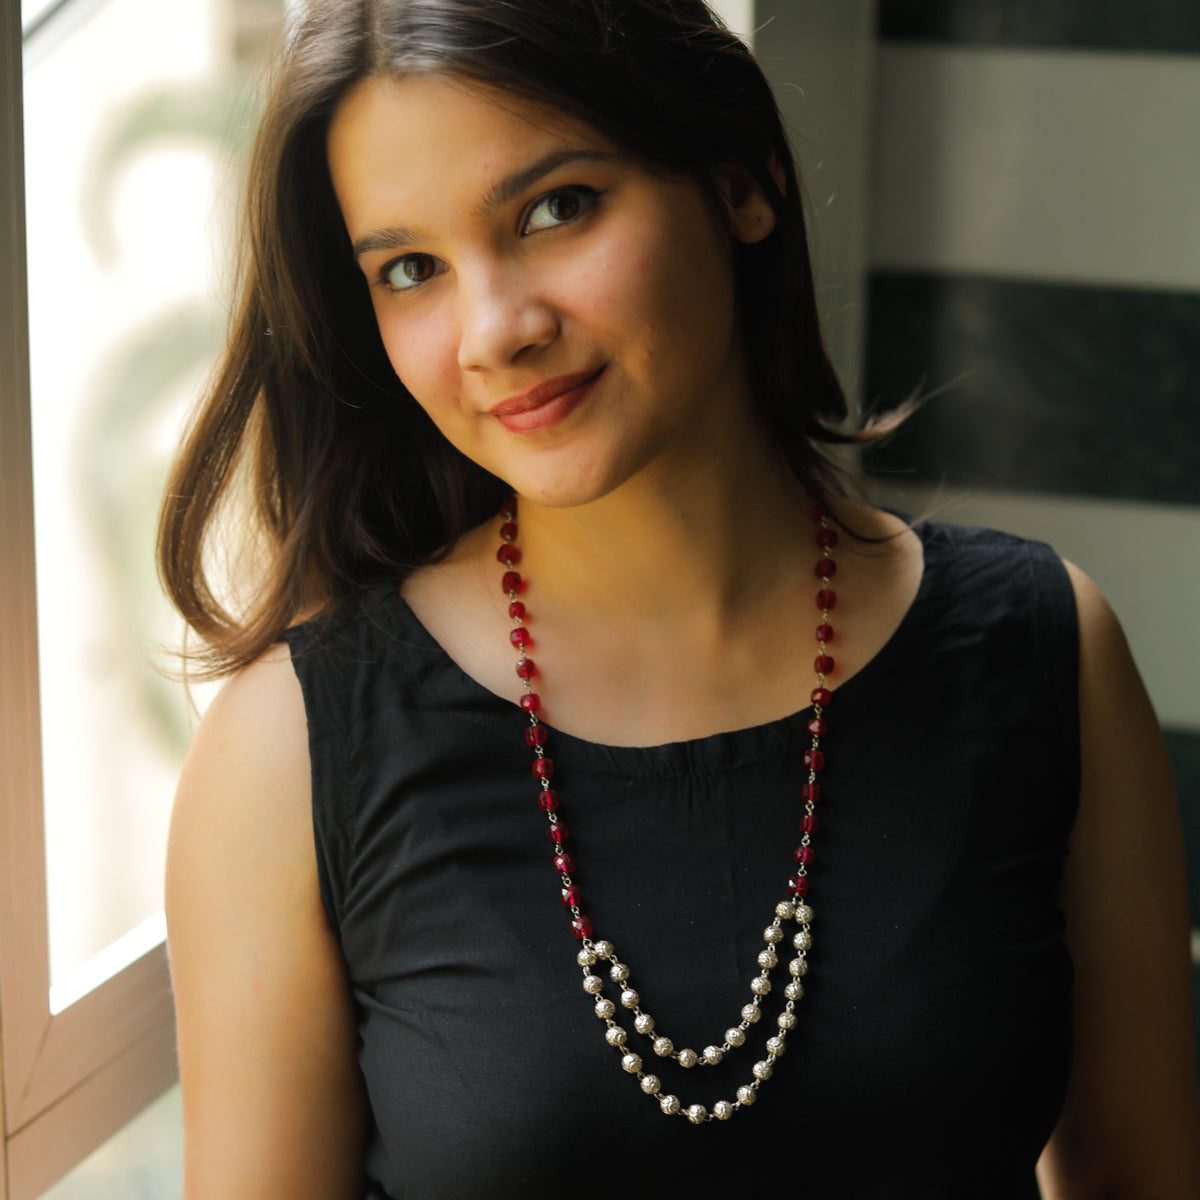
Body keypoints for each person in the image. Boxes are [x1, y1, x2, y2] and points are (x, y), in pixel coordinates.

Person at [159, 1, 1200, 1196]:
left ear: (742, 181)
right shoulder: (290, 752)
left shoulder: (1045, 649)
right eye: (411, 270)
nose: (497, 330)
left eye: (556, 209)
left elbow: (1139, 1173)